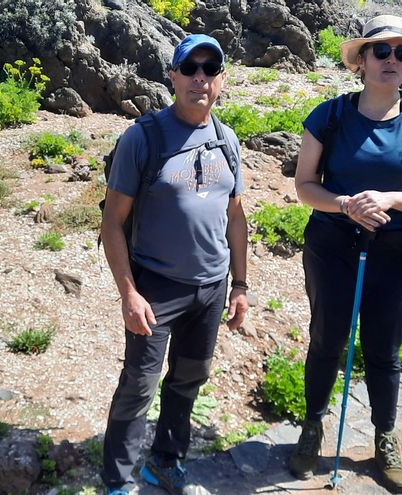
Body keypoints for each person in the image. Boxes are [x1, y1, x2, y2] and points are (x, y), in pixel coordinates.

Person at [289, 15, 402, 494]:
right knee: (327, 340)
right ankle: (312, 428)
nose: (393, 61)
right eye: (382, 52)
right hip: (333, 247)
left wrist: (386, 199)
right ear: (361, 61)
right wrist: (345, 204)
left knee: (385, 348)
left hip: (397, 250)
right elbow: (304, 187)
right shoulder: (329, 115)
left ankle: (385, 436)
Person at [99, 34, 249, 495]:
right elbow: (112, 223)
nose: (199, 78)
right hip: (156, 287)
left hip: (211, 288)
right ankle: (118, 482)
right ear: (172, 76)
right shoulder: (142, 138)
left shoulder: (227, 140)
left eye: (210, 69)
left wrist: (240, 285)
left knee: (189, 377)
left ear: (221, 79)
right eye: (190, 69)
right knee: (139, 386)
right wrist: (129, 293)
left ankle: (164, 461)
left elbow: (236, 217)